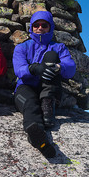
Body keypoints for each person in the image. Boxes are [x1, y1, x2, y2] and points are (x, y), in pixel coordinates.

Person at [12, 10, 76, 158]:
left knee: (51, 57)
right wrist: (33, 68)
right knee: (30, 103)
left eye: (44, 25)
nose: (40, 28)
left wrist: (59, 67)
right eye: (36, 25)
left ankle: (48, 104)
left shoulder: (58, 48)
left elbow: (71, 68)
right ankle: (37, 135)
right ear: (31, 27)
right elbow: (19, 69)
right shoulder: (22, 47)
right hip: (25, 87)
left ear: (50, 27)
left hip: (47, 88)